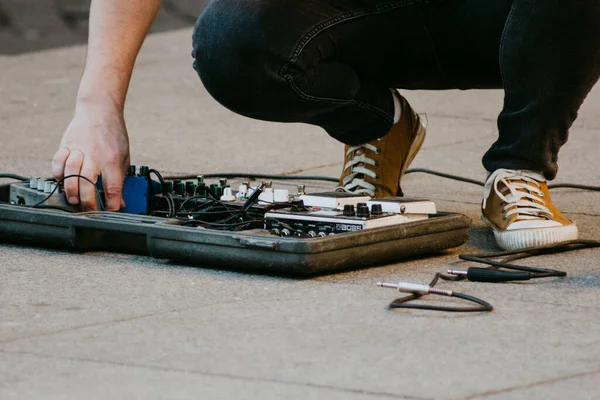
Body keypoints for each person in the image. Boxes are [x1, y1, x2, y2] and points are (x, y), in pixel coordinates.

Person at [52, 0, 600, 251]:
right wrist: (97, 107)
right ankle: (378, 128)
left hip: (520, 18)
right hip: (372, 14)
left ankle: (519, 168)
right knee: (231, 39)